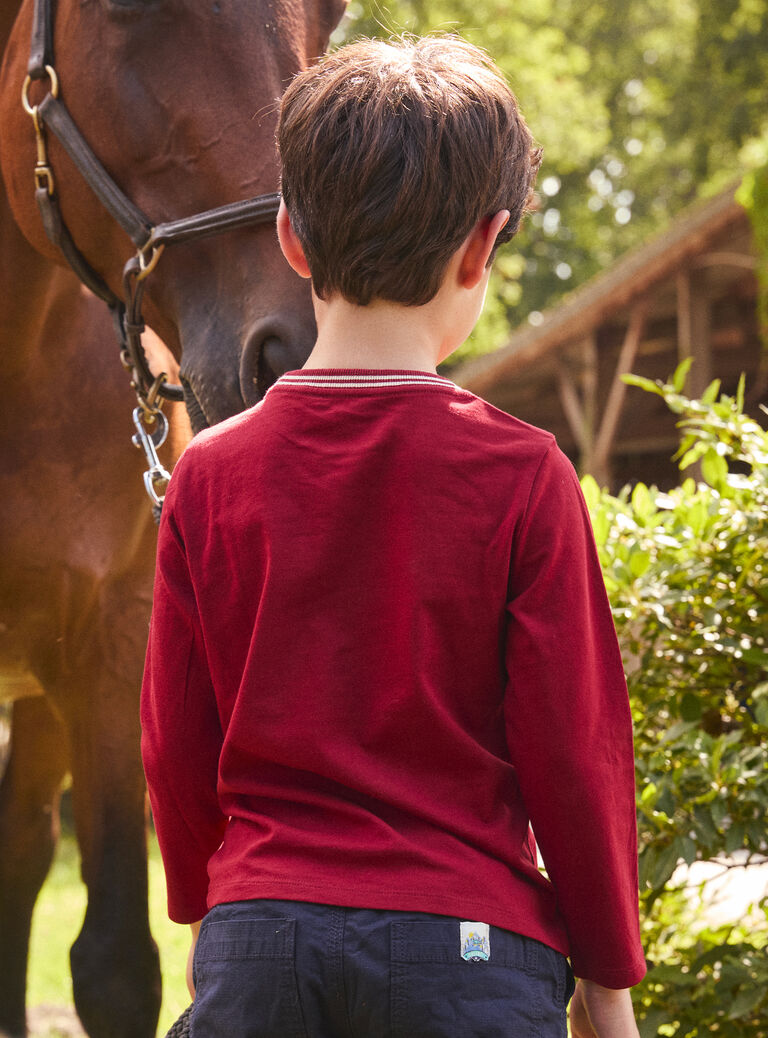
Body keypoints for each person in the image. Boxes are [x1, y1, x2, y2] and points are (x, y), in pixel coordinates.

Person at [141, 35, 646, 1038]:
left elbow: (175, 745)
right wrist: (609, 992)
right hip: (470, 953)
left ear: (289, 237)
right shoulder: (524, 476)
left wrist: (230, 913)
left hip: (260, 942)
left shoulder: (209, 474)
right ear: (484, 246)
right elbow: (574, 761)